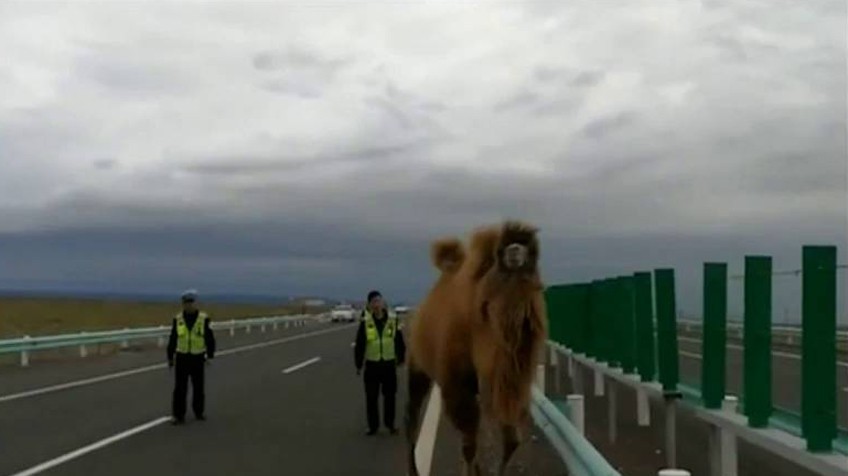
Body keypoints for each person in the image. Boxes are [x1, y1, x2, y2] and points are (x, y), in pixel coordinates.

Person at [353, 290, 406, 435]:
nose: (377, 304)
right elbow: (360, 344)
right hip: (372, 364)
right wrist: (358, 364)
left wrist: (401, 358)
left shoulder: (392, 319)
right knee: (371, 397)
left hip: (388, 364)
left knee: (390, 396)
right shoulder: (366, 322)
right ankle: (373, 426)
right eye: (374, 302)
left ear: (383, 302)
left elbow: (399, 340)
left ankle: (390, 424)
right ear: (369, 305)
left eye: (379, 301)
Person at [166, 289, 216, 425]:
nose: (188, 305)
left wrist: (210, 355)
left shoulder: (203, 319)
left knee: (198, 387)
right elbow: (173, 338)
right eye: (186, 303)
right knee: (180, 388)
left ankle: (199, 412)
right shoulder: (178, 319)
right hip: (182, 357)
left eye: (191, 302)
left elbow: (209, 337)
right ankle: (178, 415)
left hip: (197, 357)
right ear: (182, 304)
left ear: (195, 303)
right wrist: (170, 357)